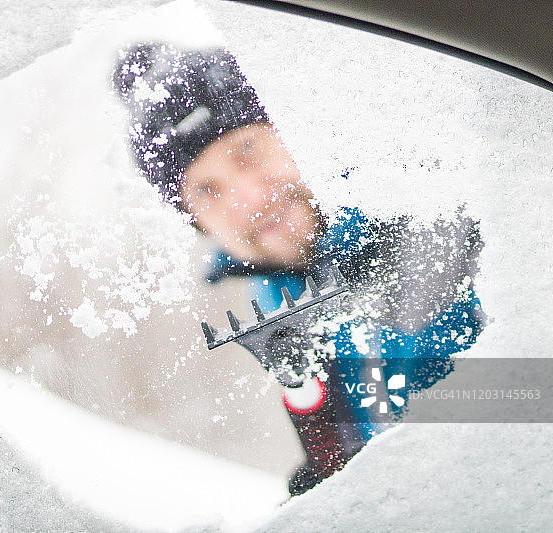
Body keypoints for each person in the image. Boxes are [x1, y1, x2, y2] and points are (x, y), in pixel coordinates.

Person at [113, 42, 484, 495]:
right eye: (208, 191)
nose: (247, 199)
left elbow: (533, 392)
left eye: (247, 151)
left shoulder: (444, 212)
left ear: (293, 130)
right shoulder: (280, 299)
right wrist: (342, 468)